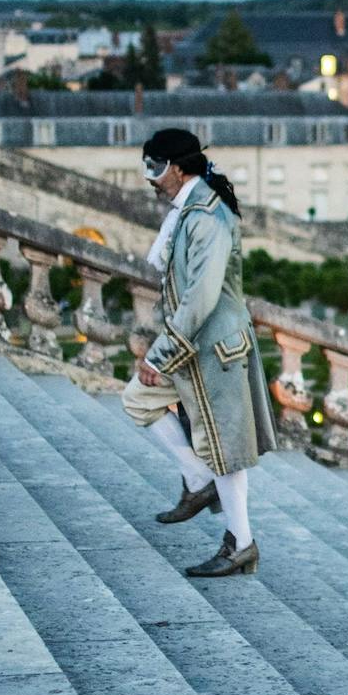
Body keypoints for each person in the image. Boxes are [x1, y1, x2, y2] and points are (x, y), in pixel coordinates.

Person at [121, 129, 277, 577]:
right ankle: (196, 479)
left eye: (154, 168)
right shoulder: (189, 209)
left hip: (215, 350)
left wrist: (158, 355)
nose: (149, 178)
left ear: (177, 168)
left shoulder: (206, 216)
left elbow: (200, 299)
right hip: (194, 346)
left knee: (226, 450)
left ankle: (241, 543)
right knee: (138, 399)